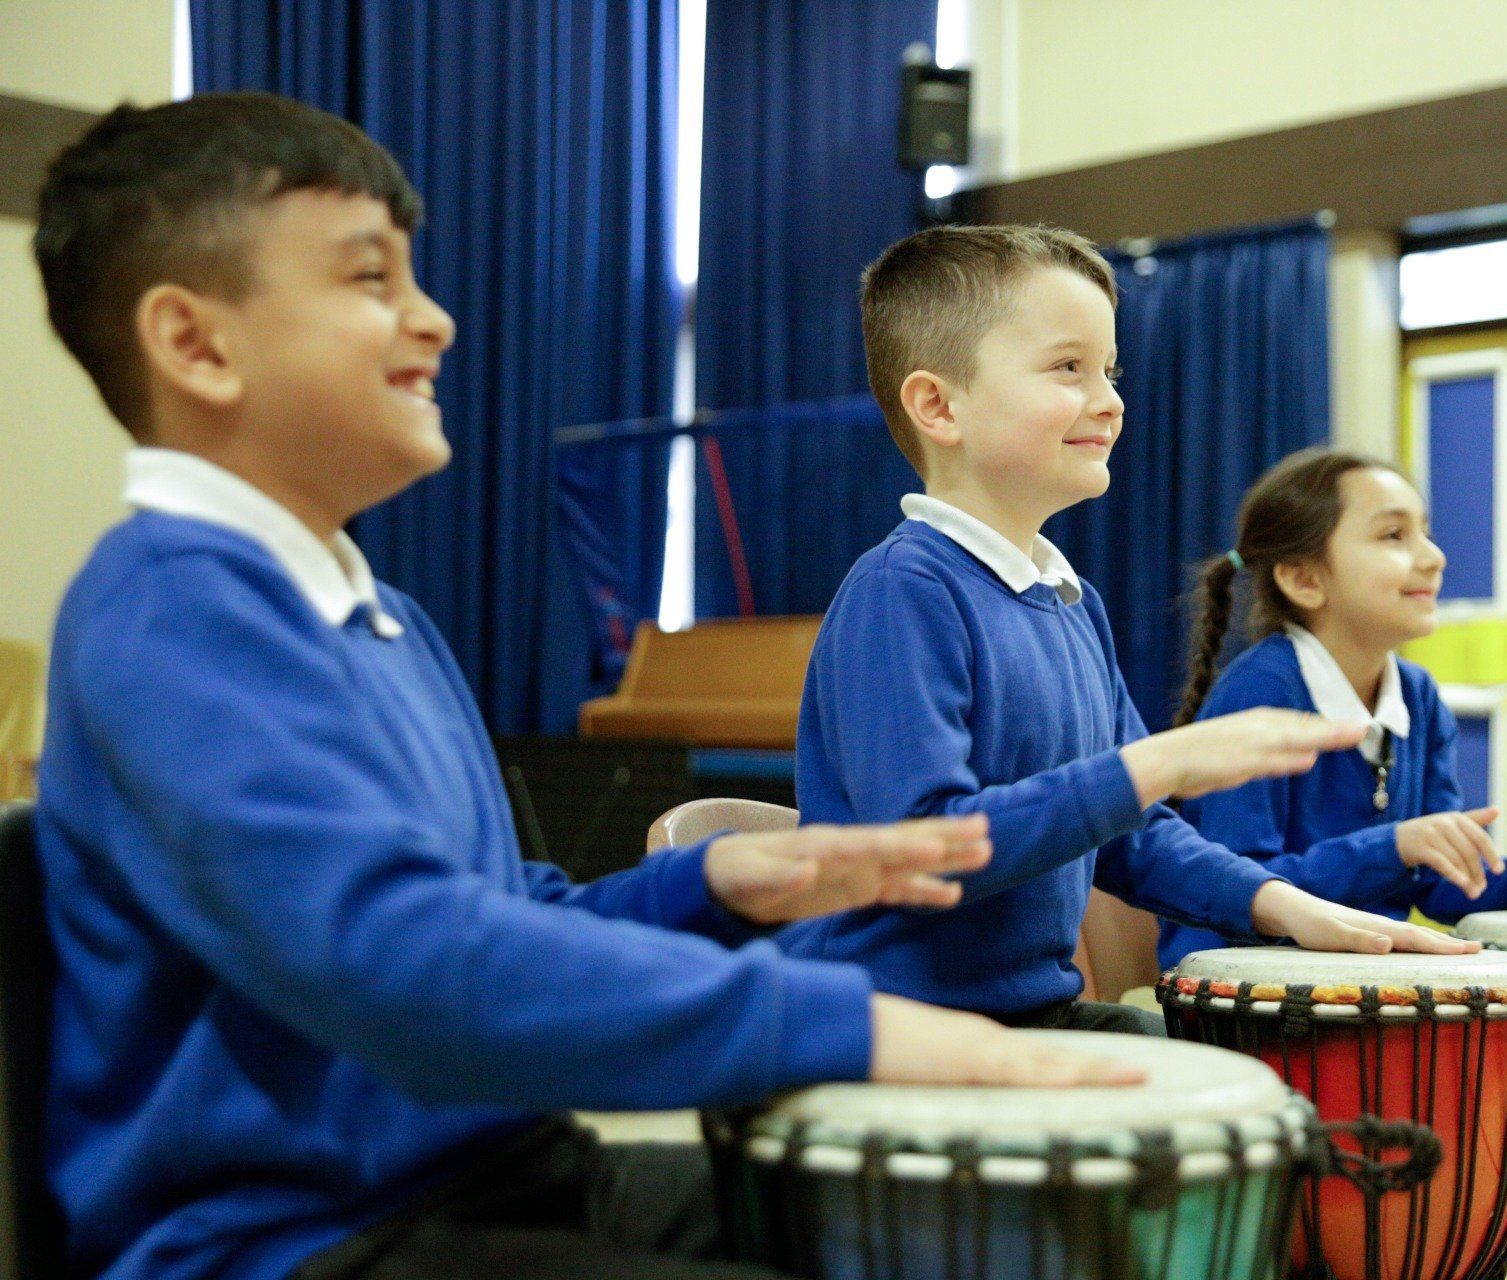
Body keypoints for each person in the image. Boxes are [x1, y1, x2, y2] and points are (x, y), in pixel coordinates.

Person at [30, 93, 1139, 1280]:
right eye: (371, 282)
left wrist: (715, 880)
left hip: (493, 1170)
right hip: (296, 1237)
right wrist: (857, 1025)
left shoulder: (382, 615)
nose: (436, 319)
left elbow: (507, 912)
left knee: (974, 1238)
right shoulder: (172, 609)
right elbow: (406, 964)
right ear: (195, 344)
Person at [782, 224, 1476, 1035]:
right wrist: (1152, 765)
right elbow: (929, 847)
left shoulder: (1072, 604)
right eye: (1068, 368)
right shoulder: (903, 592)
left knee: (1258, 1093)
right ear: (939, 405)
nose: (1110, 399)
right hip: (894, 1026)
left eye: (1109, 370)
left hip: (1030, 1015)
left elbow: (1131, 837)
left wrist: (1287, 906)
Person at [1157, 447, 1507, 970]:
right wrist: (1395, 846)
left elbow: (1439, 882)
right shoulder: (1261, 692)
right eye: (1393, 535)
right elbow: (1238, 891)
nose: (1433, 557)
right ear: (1304, 580)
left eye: (1425, 531)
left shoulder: (1417, 697)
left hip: (1356, 985)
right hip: (1244, 997)